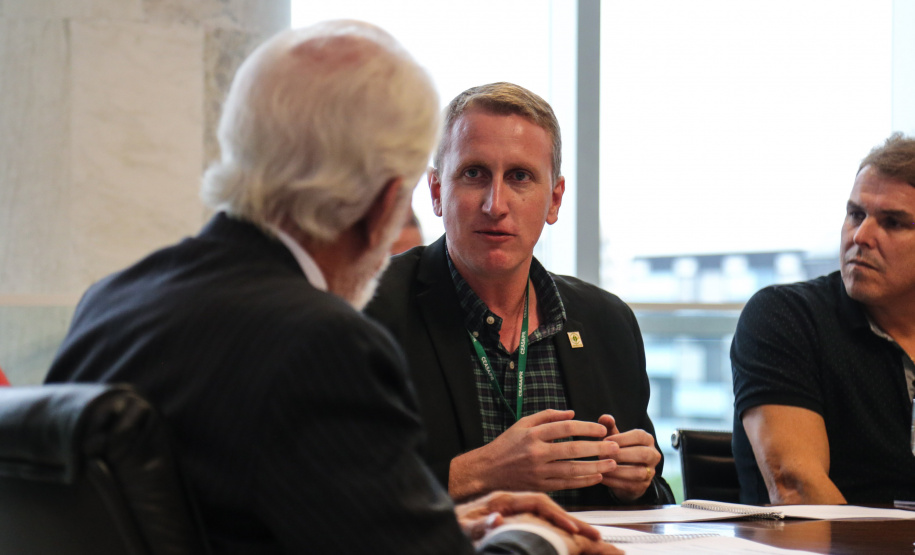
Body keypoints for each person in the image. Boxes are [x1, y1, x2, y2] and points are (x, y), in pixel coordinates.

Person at [44, 22, 619, 555]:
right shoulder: (321, 341)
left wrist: (435, 522)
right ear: (383, 205)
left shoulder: (110, 301)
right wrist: (551, 545)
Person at [365, 82, 673, 508]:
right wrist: (478, 474)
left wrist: (641, 482)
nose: (496, 204)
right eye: (474, 174)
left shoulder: (607, 322)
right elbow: (323, 490)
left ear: (554, 199)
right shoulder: (369, 311)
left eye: (519, 177)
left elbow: (655, 502)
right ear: (437, 191)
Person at [731, 133, 915, 505]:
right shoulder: (786, 317)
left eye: (893, 223)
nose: (861, 236)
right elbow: (796, 487)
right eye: (856, 214)